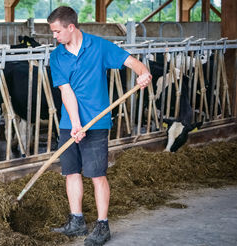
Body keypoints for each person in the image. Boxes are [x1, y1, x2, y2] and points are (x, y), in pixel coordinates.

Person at [47, 6, 152, 246]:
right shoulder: (57, 56)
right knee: (71, 172)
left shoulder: (99, 46)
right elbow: (66, 91)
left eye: (56, 31)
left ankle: (102, 225)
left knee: (96, 174)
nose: (54, 36)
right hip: (69, 124)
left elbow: (132, 62)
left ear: (70, 27)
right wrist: (75, 124)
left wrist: (144, 73)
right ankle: (77, 221)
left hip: (97, 122)